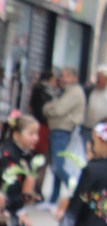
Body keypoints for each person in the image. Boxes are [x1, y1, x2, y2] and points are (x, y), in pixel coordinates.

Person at [44, 66, 87, 206]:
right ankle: (53, 198)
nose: (62, 79)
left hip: (63, 131)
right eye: (62, 76)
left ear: (74, 78)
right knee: (56, 165)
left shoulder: (74, 92)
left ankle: (76, 192)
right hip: (57, 129)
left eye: (66, 76)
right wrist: (49, 109)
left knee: (58, 165)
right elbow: (49, 108)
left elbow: (58, 109)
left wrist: (50, 110)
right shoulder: (64, 92)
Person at [30, 69, 57, 199]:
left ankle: (33, 187)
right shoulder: (47, 91)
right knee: (42, 158)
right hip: (43, 126)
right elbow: (47, 110)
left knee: (36, 158)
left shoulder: (37, 88)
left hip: (37, 123)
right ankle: (36, 189)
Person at [84, 65, 107, 136]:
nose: (98, 80)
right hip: (86, 128)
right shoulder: (89, 90)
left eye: (101, 77)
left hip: (101, 130)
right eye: (97, 77)